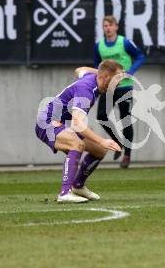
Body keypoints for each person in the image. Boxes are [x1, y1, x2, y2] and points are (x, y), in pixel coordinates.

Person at [35, 60, 123, 203]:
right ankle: (64, 193)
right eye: (117, 78)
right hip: (47, 122)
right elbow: (78, 124)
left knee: (100, 150)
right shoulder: (86, 90)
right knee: (77, 145)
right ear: (106, 77)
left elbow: (79, 69)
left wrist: (101, 72)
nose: (119, 82)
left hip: (64, 122)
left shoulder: (91, 76)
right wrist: (102, 140)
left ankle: (78, 186)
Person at [94, 15, 146, 168]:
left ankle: (127, 156)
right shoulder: (99, 46)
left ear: (116, 27)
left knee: (125, 119)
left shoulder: (125, 42)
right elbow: (98, 65)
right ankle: (117, 141)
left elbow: (140, 56)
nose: (108, 28)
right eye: (105, 25)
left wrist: (130, 71)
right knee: (101, 116)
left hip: (124, 86)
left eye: (110, 25)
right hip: (108, 87)